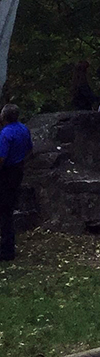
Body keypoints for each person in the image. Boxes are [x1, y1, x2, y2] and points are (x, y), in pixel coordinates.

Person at [0, 103, 33, 262]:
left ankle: (6, 250)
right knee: (9, 208)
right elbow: (29, 149)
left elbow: (1, 157)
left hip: (6, 172)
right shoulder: (23, 129)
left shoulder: (6, 133)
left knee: (4, 211)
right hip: (18, 170)